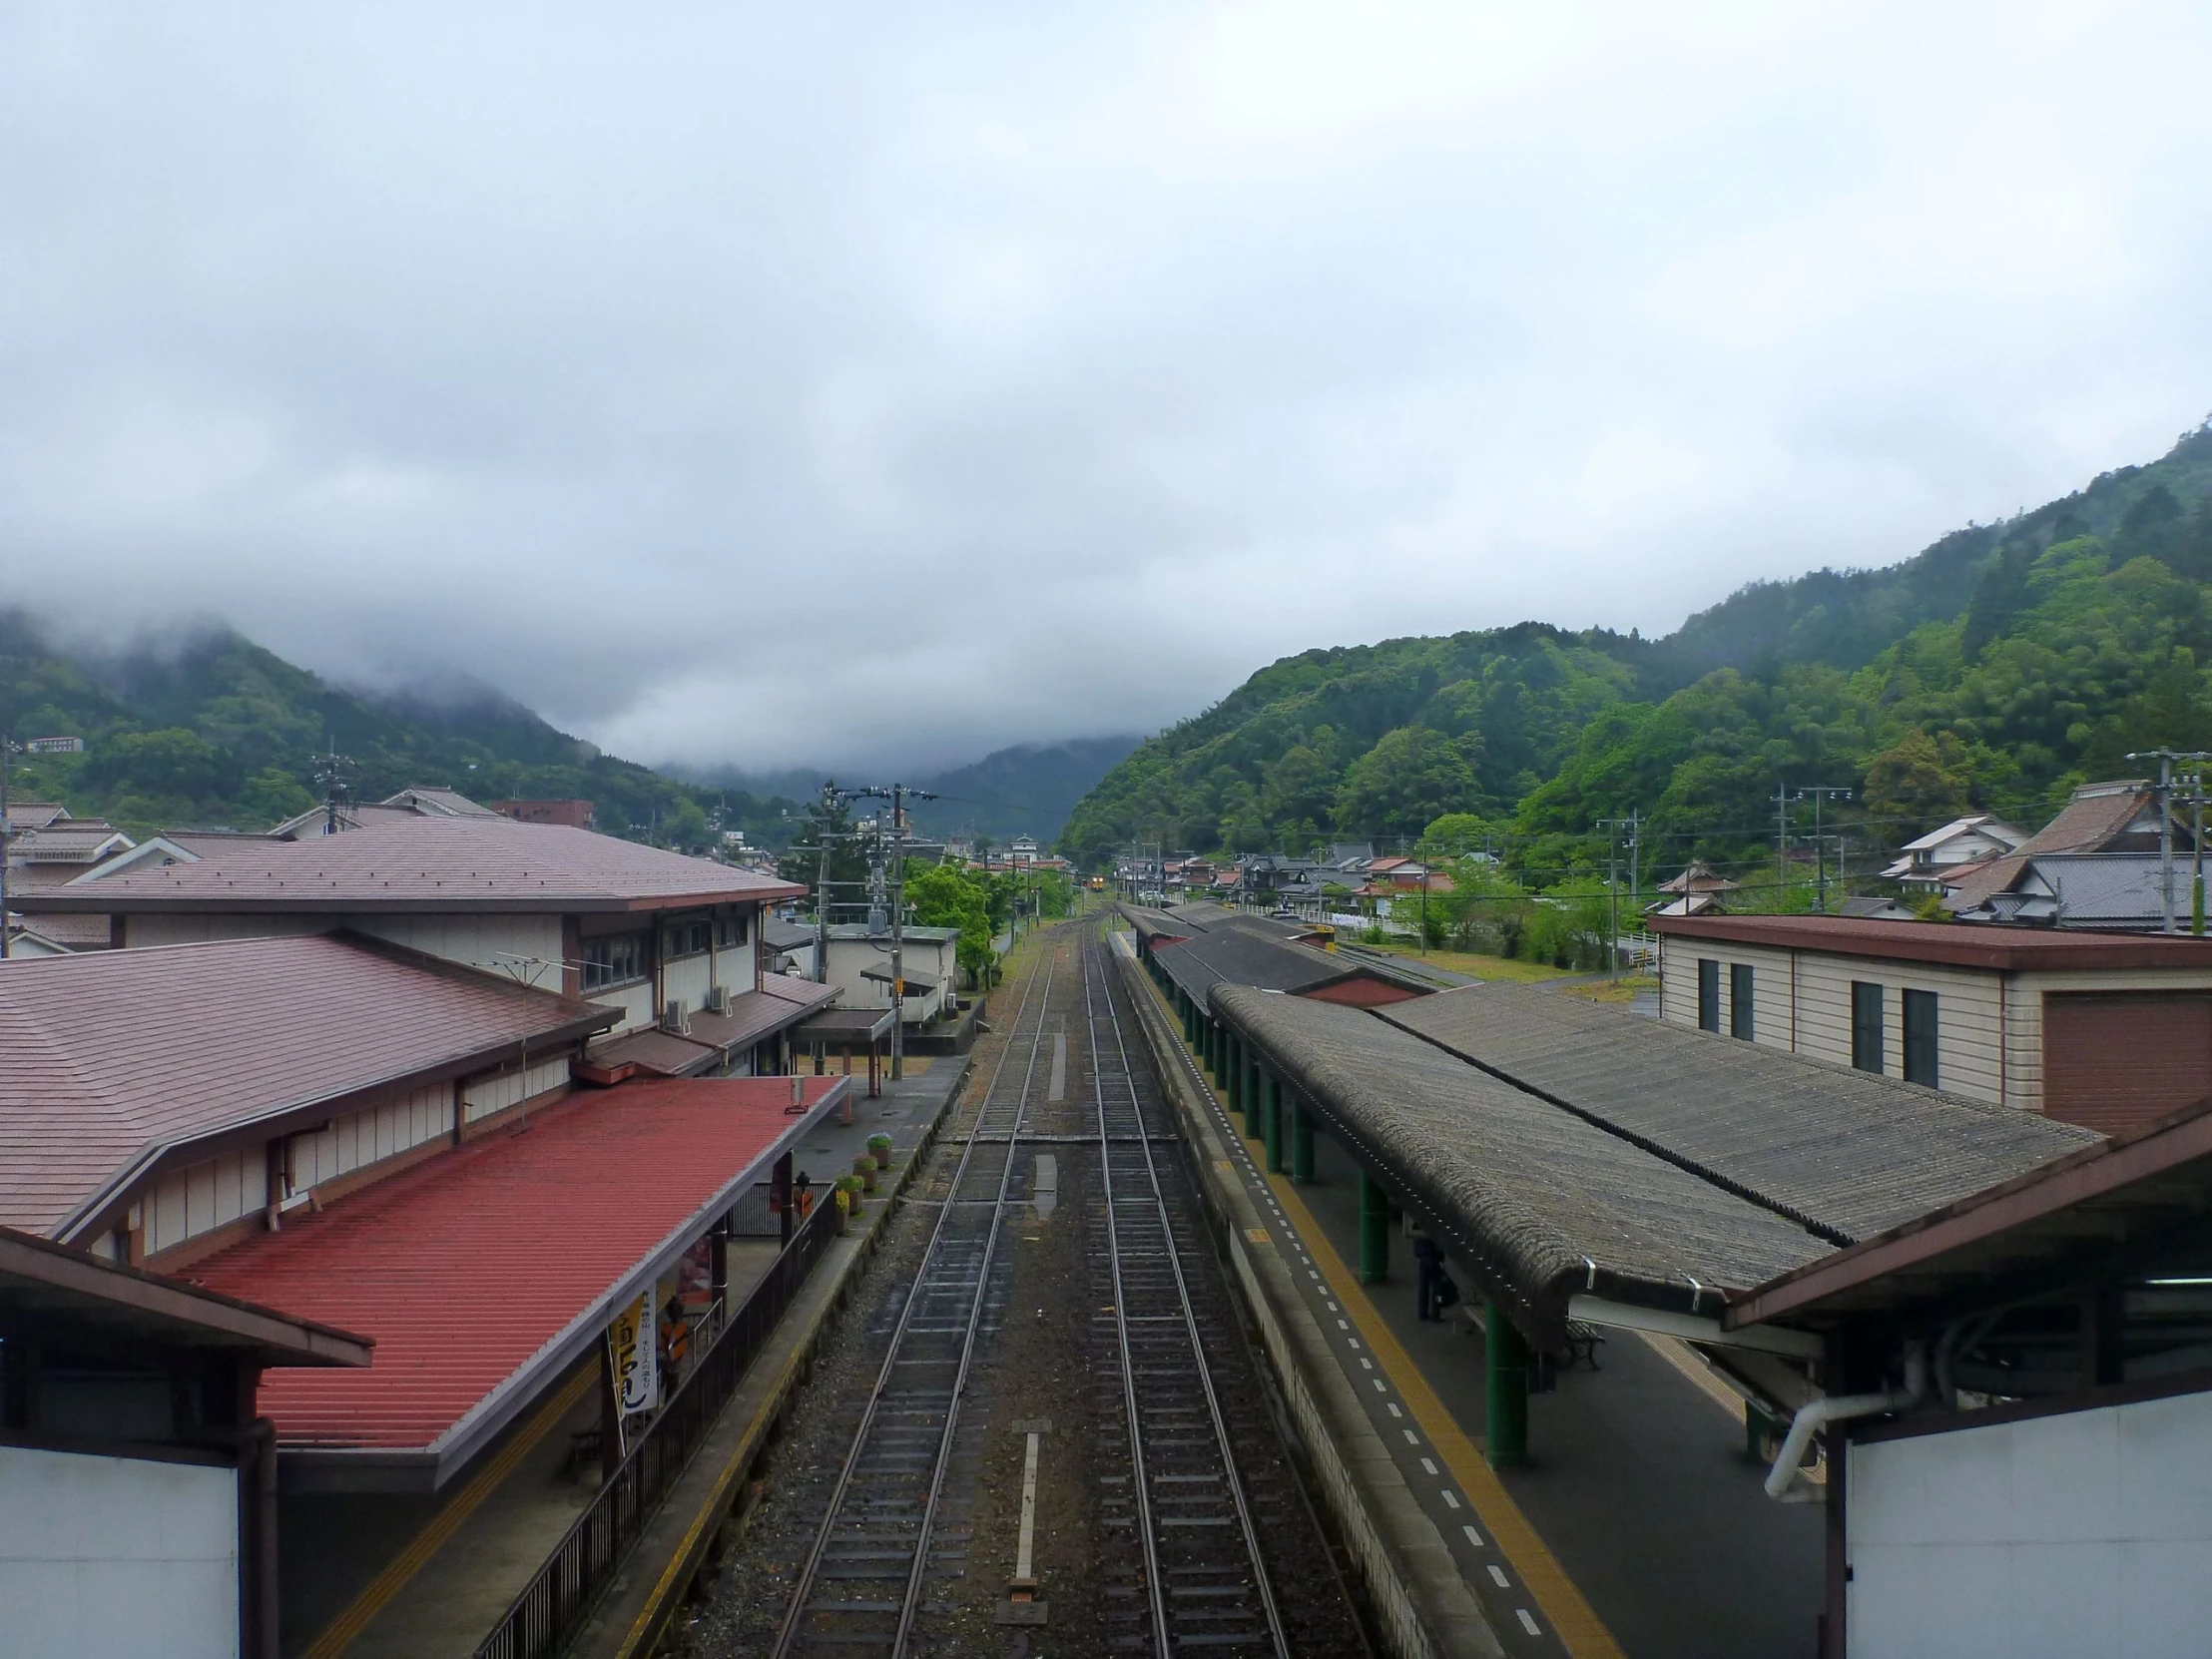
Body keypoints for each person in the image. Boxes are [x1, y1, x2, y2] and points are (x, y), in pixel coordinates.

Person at [1412, 1230, 1445, 1323]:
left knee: (1423, 1287)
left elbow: (1415, 1236)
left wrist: (1418, 1255)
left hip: (1422, 1257)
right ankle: (1435, 1315)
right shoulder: (1434, 1221)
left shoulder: (1419, 1219)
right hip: (1434, 1257)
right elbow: (1439, 1242)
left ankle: (1422, 1313)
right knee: (1437, 1290)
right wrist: (1441, 1259)